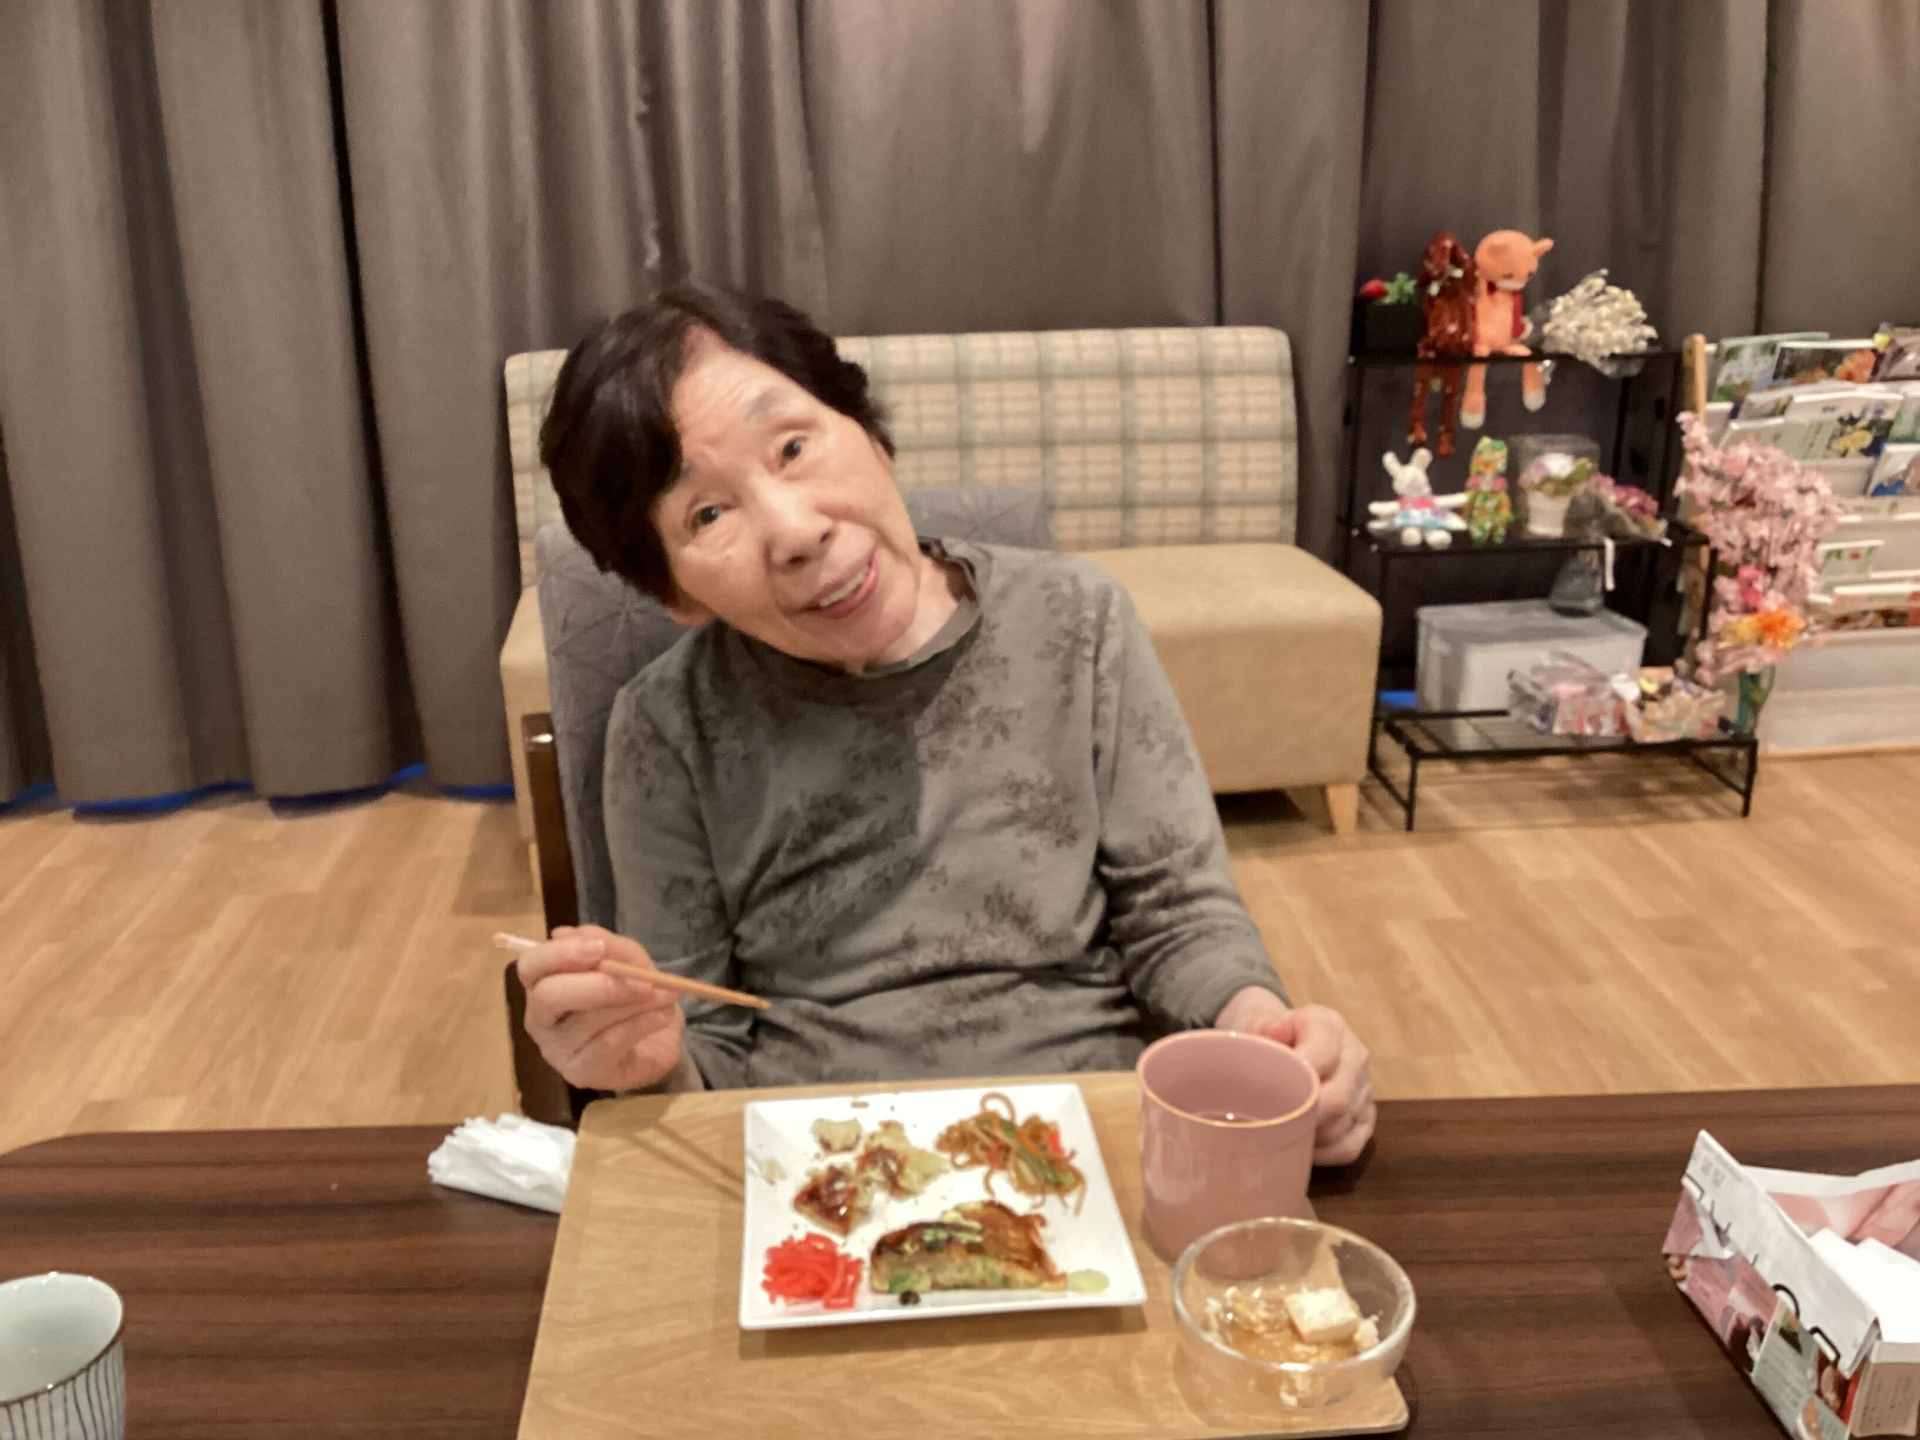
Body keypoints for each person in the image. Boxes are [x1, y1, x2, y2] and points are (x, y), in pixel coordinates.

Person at [516, 285, 1376, 1164]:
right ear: (674, 592)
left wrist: (1269, 1036)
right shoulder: (668, 728)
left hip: (1086, 1142)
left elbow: (1179, 919)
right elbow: (698, 1032)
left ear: (870, 432)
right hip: (822, 1167)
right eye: (707, 514)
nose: (796, 532)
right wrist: (645, 1061)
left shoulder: (1075, 620)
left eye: (793, 448)